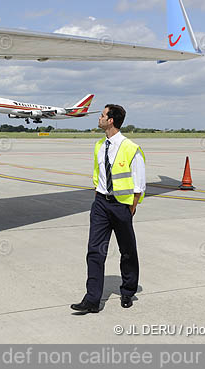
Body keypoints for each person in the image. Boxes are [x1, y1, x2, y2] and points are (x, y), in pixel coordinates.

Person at [71, 104, 146, 313]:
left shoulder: (131, 148)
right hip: (101, 205)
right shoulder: (98, 146)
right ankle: (92, 300)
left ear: (111, 120)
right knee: (94, 251)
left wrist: (130, 208)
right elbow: (98, 176)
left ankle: (128, 291)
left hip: (122, 205)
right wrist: (98, 198)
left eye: (103, 115)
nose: (99, 118)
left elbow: (139, 185)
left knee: (127, 251)